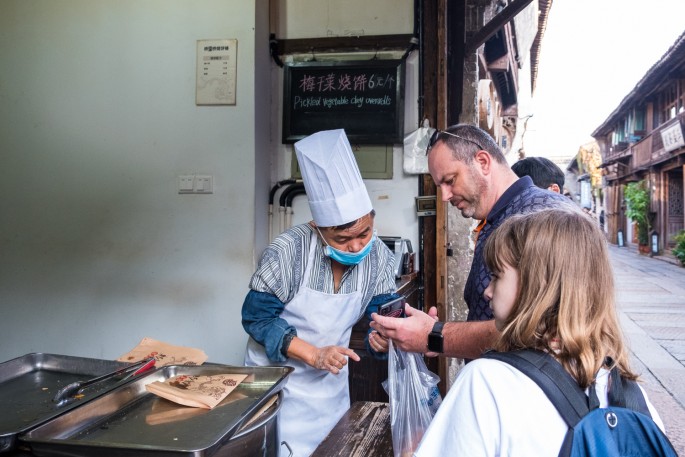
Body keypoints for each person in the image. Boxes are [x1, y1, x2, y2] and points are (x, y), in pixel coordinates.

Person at [413, 209, 665, 456]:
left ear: (536, 286)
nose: (487, 291)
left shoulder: (487, 382)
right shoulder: (629, 394)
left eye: (496, 276)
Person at [242, 129, 398, 456]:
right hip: (274, 386)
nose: (356, 245)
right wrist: (313, 354)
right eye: (342, 239)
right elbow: (256, 317)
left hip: (329, 387)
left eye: (365, 232)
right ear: (317, 226)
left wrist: (382, 337)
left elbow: (383, 318)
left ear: (372, 217)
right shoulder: (288, 251)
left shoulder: (381, 257)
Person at [371, 124, 573, 360]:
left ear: (483, 162)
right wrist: (433, 333)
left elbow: (541, 329)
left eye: (450, 180)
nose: (445, 196)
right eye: (440, 187)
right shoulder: (496, 218)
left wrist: (436, 335)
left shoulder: (542, 215)